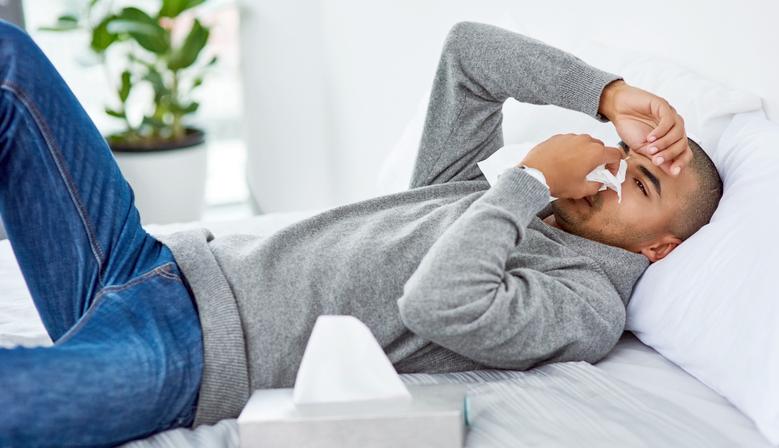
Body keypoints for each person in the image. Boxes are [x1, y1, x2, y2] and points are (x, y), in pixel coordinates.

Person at [0, 20, 722, 446]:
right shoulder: (473, 196)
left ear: (661, 248)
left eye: (644, 185)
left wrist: (530, 179)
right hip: (150, 266)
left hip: (186, 351)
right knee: (10, 60)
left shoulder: (585, 304)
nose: (616, 174)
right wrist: (609, 94)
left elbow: (439, 303)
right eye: (625, 160)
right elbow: (468, 54)